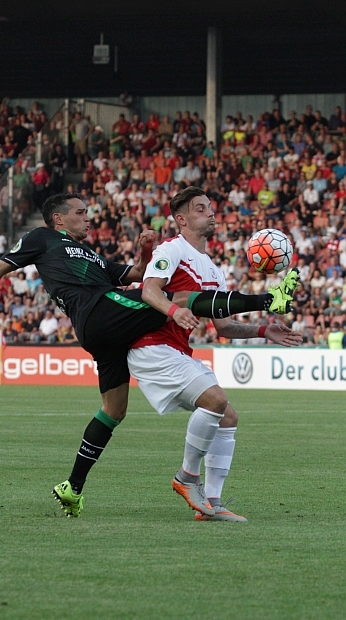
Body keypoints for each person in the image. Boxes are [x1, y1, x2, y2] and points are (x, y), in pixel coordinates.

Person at [0, 192, 298, 518]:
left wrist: (144, 251)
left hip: (105, 331)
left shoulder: (91, 255)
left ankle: (73, 487)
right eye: (80, 212)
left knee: (114, 409)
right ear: (58, 218)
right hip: (97, 310)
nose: (88, 217)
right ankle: (269, 300)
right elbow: (0, 267)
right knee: (174, 299)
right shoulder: (42, 238)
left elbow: (135, 274)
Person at [128, 187, 302, 522]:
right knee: (215, 400)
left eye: (210, 207)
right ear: (181, 219)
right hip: (152, 345)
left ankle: (211, 503)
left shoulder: (213, 270)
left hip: (176, 350)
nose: (210, 213)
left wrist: (264, 330)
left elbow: (224, 327)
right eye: (200, 209)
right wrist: (173, 310)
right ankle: (186, 477)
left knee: (227, 417)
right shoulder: (171, 249)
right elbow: (149, 290)